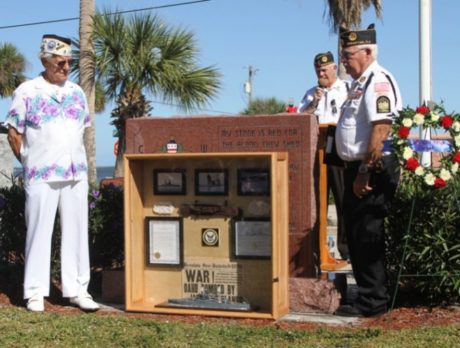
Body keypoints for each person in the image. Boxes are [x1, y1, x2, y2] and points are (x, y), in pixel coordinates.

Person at [5, 34, 99, 312]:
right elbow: (13, 132)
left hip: (75, 173)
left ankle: (78, 290)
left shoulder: (77, 92)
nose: (65, 67)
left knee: (77, 232)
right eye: (60, 62)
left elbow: (83, 128)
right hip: (40, 173)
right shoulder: (27, 91)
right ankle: (34, 293)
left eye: (68, 62)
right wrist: (29, 161)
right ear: (45, 60)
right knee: (38, 232)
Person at [334, 24, 402, 317]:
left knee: (368, 233)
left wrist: (364, 171)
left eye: (348, 55)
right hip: (356, 169)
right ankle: (366, 297)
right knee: (357, 234)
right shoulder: (359, 84)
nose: (344, 61)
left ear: (367, 51)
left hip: (371, 169)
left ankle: (374, 303)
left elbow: (381, 129)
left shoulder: (378, 81)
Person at [298, 51, 349, 261]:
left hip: (338, 147)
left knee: (342, 198)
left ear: (334, 68)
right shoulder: (311, 93)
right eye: (318, 70)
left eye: (325, 69)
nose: (321, 73)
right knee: (315, 201)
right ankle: (317, 250)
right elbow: (300, 119)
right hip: (316, 148)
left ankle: (345, 250)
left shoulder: (347, 88)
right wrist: (315, 103)